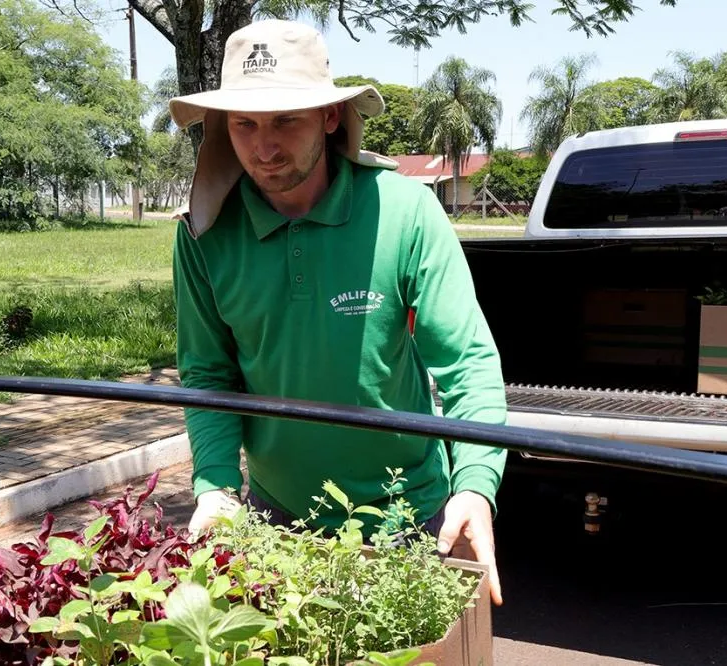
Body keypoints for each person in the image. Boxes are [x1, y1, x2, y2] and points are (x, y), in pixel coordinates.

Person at [167, 18, 508, 606]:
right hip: (278, 518)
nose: (264, 148)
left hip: (409, 517)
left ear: (329, 116)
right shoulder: (204, 233)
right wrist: (217, 486)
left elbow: (466, 362)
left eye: (285, 120)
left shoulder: (404, 211)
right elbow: (207, 372)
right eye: (245, 124)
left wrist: (476, 485)